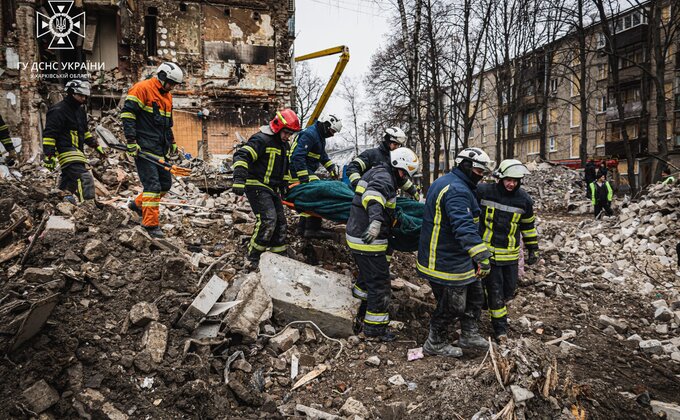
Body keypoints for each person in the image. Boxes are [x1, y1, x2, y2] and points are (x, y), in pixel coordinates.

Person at [417, 147, 493, 357]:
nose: (481, 176)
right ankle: (435, 342)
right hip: (444, 259)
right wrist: (481, 255)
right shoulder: (456, 190)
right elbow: (464, 226)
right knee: (453, 305)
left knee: (475, 296)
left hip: (458, 256)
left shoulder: (456, 183)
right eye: (479, 171)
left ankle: (469, 333)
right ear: (466, 166)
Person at [347, 147, 420, 341]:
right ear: (398, 167)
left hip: (359, 234)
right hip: (367, 238)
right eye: (405, 173)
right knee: (380, 283)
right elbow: (373, 196)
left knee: (366, 279)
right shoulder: (384, 177)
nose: (405, 178)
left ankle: (357, 310)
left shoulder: (380, 171)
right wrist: (376, 222)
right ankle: (374, 329)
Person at [477, 159, 539, 342]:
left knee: (508, 291)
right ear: (500, 178)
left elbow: (528, 227)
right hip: (488, 254)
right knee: (496, 292)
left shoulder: (524, 200)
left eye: (515, 180)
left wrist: (533, 249)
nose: (511, 183)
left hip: (510, 255)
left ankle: (483, 302)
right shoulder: (484, 191)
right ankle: (500, 330)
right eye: (508, 180)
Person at [232, 109, 301, 265]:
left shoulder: (285, 146)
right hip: (256, 185)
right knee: (268, 219)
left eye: (290, 133)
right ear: (277, 127)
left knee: (281, 222)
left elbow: (284, 169)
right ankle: (253, 257)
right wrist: (239, 179)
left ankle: (278, 252)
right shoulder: (261, 139)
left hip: (272, 189)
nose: (287, 136)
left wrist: (285, 187)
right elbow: (242, 156)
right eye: (286, 132)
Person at [121, 62, 182, 238]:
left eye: (175, 85)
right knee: (153, 186)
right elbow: (128, 115)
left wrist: (172, 142)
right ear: (162, 76)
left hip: (159, 148)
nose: (172, 87)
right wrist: (131, 141)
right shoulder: (142, 89)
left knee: (165, 184)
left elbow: (167, 124)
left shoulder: (167, 97)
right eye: (171, 83)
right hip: (144, 147)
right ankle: (151, 225)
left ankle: (137, 204)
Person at [42, 80, 105, 203]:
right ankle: (89, 206)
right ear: (71, 93)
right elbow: (50, 134)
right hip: (66, 151)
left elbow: (84, 132)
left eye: (85, 96)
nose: (83, 98)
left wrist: (95, 145)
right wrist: (49, 155)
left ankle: (60, 201)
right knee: (85, 178)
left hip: (78, 151)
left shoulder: (80, 111)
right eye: (80, 95)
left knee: (69, 183)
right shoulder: (58, 110)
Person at [288, 114, 342, 239]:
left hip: (305, 169)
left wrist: (331, 168)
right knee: (317, 192)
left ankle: (303, 228)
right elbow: (297, 156)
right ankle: (312, 228)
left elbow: (322, 155)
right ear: (326, 125)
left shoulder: (319, 136)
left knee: (308, 198)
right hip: (297, 170)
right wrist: (303, 177)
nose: (332, 134)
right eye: (332, 131)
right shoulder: (310, 134)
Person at [346, 127, 420, 201]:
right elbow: (352, 167)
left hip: (386, 198)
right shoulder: (371, 154)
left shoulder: (395, 159)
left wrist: (413, 191)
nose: (397, 147)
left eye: (399, 145)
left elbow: (400, 179)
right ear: (388, 142)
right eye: (395, 144)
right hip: (366, 197)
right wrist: (357, 184)